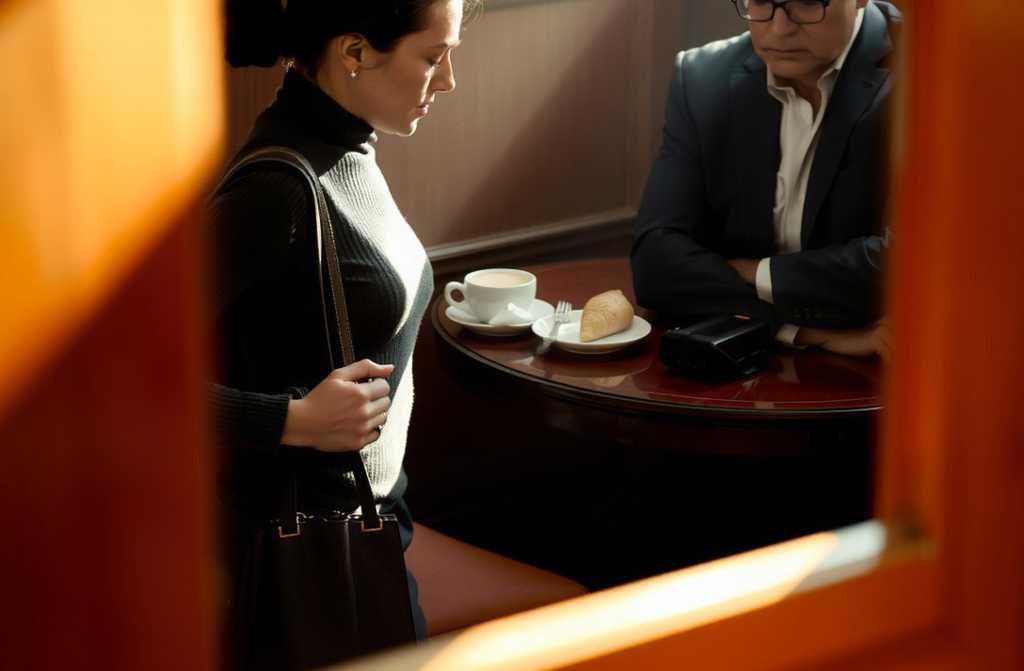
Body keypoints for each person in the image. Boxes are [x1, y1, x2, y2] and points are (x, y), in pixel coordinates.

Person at [208, 0, 480, 660]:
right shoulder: (274, 190)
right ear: (354, 52)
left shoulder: (347, 146)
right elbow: (126, 387)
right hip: (313, 566)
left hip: (372, 534)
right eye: (433, 56)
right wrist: (290, 420)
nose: (448, 80)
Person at [632, 0, 901, 357]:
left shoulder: (932, 72)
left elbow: (905, 264)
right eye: (760, 1)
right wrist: (804, 332)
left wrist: (755, 273)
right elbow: (656, 266)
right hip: (736, 350)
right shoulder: (702, 78)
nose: (779, 29)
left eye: (807, 3)